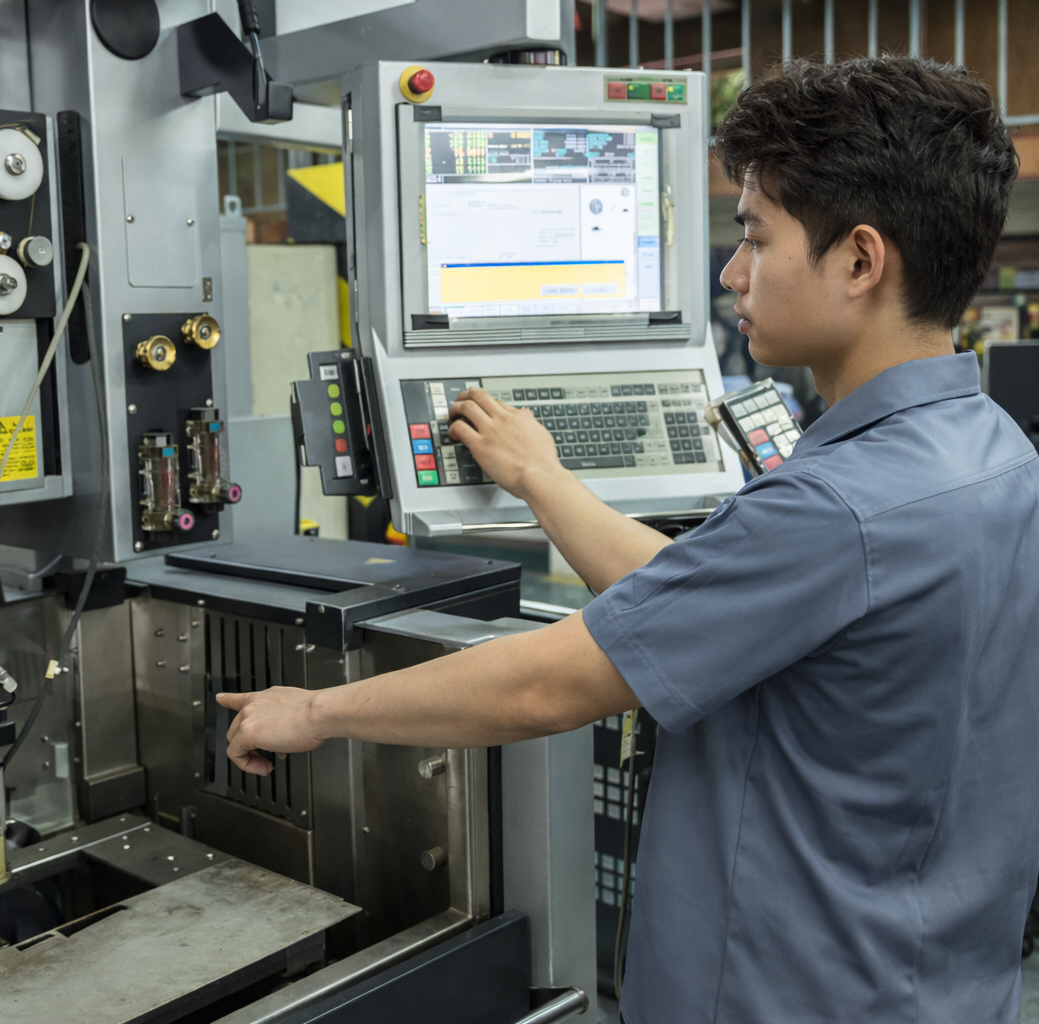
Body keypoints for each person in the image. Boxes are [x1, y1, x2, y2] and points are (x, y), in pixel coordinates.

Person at [217, 57, 1039, 1023]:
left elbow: (545, 686)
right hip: (940, 982)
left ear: (861, 261)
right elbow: (701, 600)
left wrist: (315, 710)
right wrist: (544, 480)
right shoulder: (992, 452)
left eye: (755, 237)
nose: (732, 273)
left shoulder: (834, 508)